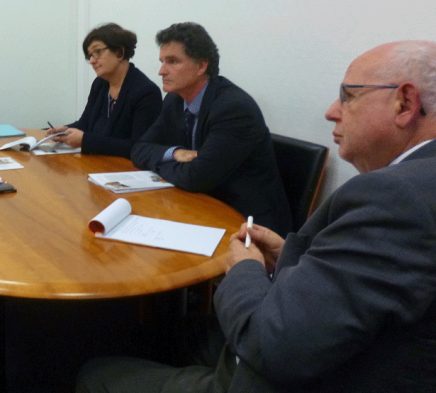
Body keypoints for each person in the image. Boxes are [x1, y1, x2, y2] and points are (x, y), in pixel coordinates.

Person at [77, 40, 436, 393]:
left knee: (95, 371)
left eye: (349, 96)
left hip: (263, 370)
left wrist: (244, 268)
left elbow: (274, 347)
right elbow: (362, 283)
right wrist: (286, 255)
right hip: (297, 321)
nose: (331, 111)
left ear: (405, 103)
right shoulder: (410, 186)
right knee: (155, 330)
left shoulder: (396, 197)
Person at [131, 23, 291, 235]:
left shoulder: (234, 108)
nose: (161, 71)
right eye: (162, 61)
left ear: (201, 66)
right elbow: (139, 148)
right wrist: (175, 153)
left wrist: (159, 164)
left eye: (172, 61)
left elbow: (196, 178)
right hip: (200, 207)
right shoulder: (174, 100)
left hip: (247, 224)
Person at [46, 23, 162, 158]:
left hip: (124, 170)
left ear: (120, 52)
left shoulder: (146, 92)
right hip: (96, 164)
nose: (92, 61)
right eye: (90, 56)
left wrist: (85, 140)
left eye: (97, 52)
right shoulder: (100, 84)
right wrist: (64, 130)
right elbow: (86, 123)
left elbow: (138, 147)